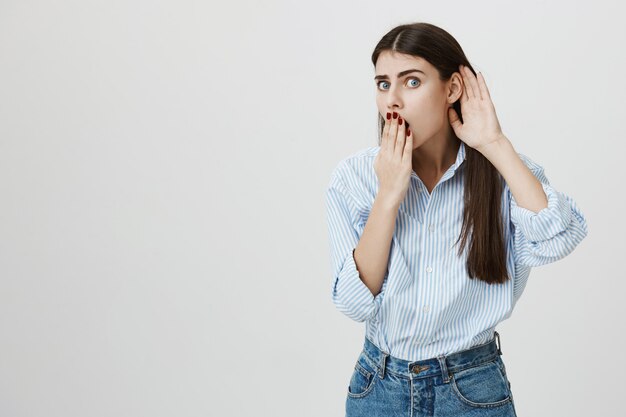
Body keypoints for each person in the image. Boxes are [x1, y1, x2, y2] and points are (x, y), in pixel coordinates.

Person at [324, 22, 588, 417]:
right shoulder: (355, 176)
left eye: (411, 82)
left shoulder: (503, 172)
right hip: (379, 389)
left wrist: (495, 144)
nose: (392, 100)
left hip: (473, 389)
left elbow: (559, 237)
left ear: (452, 89)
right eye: (383, 84)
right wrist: (389, 196)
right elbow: (352, 301)